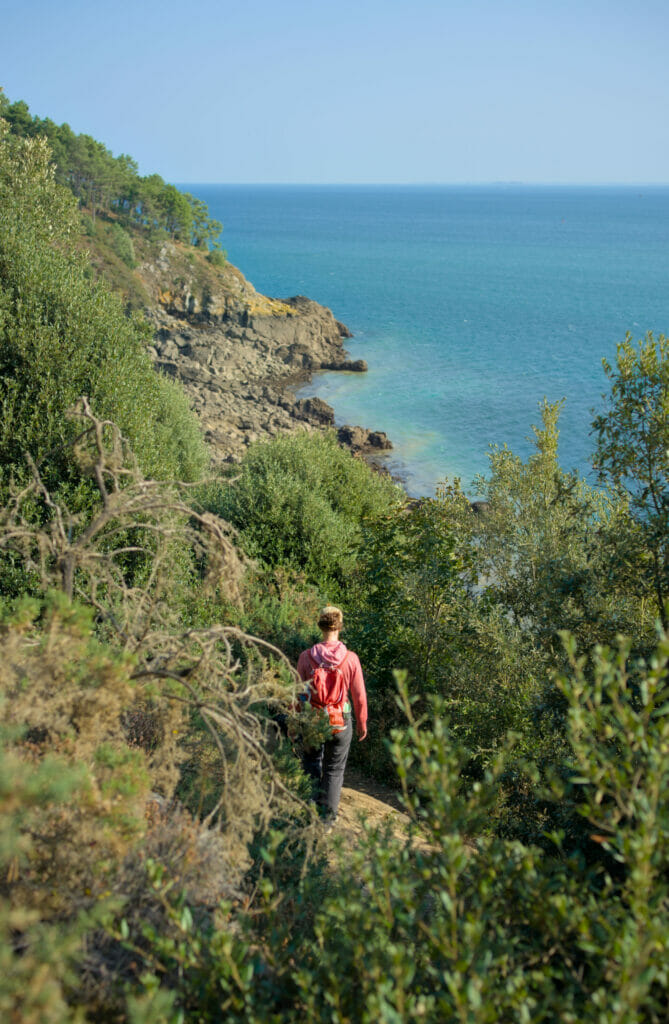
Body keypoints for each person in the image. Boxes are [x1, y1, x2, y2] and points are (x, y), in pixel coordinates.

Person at [297, 605, 367, 823]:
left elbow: (299, 695)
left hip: (313, 720)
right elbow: (359, 696)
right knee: (334, 771)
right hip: (340, 722)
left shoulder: (306, 657)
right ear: (340, 627)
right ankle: (326, 822)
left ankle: (309, 815)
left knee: (310, 765)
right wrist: (362, 722)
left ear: (320, 626)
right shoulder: (351, 659)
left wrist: (296, 721)